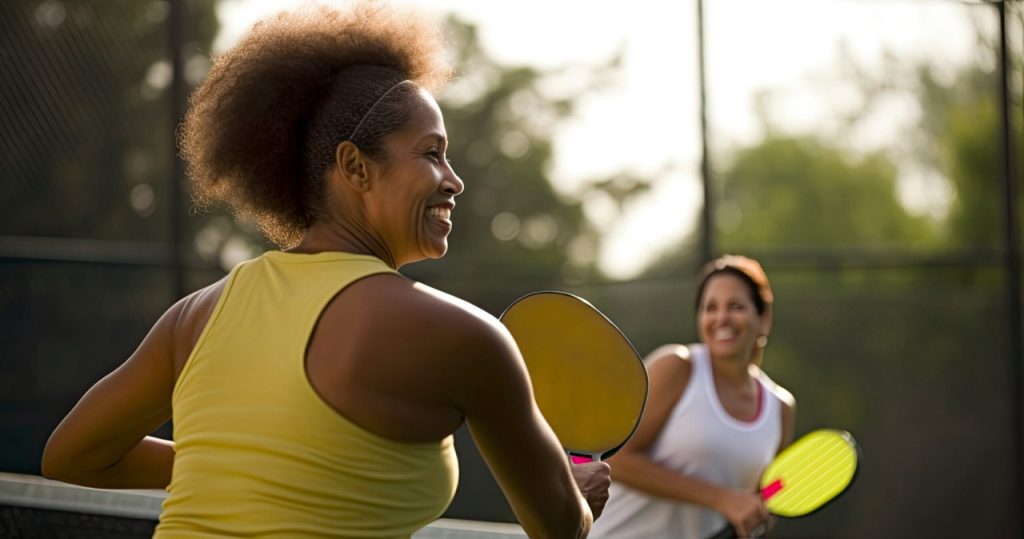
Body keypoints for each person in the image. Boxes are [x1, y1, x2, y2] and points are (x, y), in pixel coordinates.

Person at [40, 3, 610, 537]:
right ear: (355, 166)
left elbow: (72, 455)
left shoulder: (194, 315)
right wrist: (579, 492)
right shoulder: (465, 335)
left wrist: (243, 464)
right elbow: (560, 525)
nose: (453, 179)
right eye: (432, 152)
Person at [590, 255, 796, 539]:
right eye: (710, 307)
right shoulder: (677, 367)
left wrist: (754, 511)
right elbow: (616, 459)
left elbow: (762, 499)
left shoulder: (780, 407)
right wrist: (722, 499)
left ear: (763, 318)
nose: (721, 317)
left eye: (735, 306)